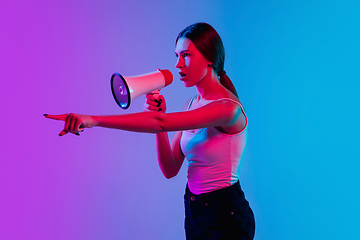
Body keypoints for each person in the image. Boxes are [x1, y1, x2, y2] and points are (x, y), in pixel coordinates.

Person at [45, 22, 255, 240]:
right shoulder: (192, 103)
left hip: (226, 215)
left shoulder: (228, 108)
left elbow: (159, 122)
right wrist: (160, 121)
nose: (178, 64)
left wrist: (93, 120)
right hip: (195, 209)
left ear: (209, 57)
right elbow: (170, 167)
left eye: (186, 55)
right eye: (176, 56)